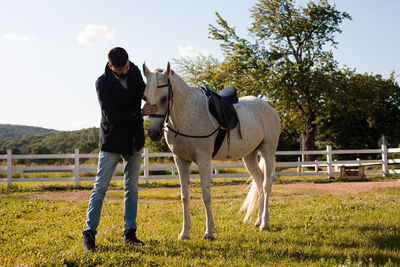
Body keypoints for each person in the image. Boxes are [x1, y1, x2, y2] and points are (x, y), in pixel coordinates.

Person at [82, 47, 157, 252]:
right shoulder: (102, 83)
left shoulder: (133, 71)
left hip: (134, 140)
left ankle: (130, 232)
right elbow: (111, 115)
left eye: (126, 67)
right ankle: (89, 234)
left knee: (131, 189)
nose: (125, 71)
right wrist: (140, 113)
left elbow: (144, 92)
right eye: (120, 69)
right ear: (110, 66)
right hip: (112, 141)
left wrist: (160, 81)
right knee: (100, 188)